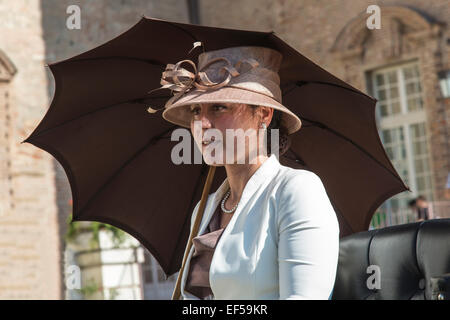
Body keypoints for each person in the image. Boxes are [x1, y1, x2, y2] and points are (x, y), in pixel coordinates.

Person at [160, 46, 340, 299]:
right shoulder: (205, 208)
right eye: (196, 111)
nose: (203, 124)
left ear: (263, 114)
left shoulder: (296, 190)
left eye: (219, 108)